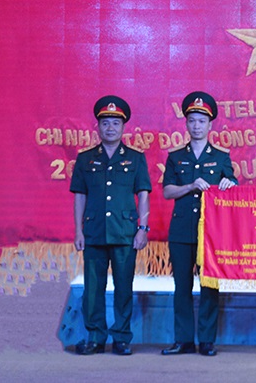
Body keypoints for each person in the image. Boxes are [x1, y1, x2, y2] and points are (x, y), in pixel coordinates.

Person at [70, 95, 152, 356]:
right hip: (93, 233)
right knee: (93, 290)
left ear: (124, 127)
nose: (110, 128)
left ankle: (121, 338)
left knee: (123, 288)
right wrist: (78, 230)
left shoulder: (136, 159)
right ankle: (95, 337)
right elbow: (79, 196)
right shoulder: (85, 159)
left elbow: (143, 194)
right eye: (105, 123)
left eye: (115, 123)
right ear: (97, 126)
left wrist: (143, 228)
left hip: (125, 232)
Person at [161, 91, 237, 357]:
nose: (196, 126)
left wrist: (229, 184)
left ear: (210, 125)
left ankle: (206, 340)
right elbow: (167, 192)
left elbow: (233, 184)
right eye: (192, 120)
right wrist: (191, 185)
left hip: (211, 232)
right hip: (182, 229)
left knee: (209, 285)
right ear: (186, 123)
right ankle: (183, 340)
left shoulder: (221, 156)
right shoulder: (175, 157)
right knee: (181, 286)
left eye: (201, 121)